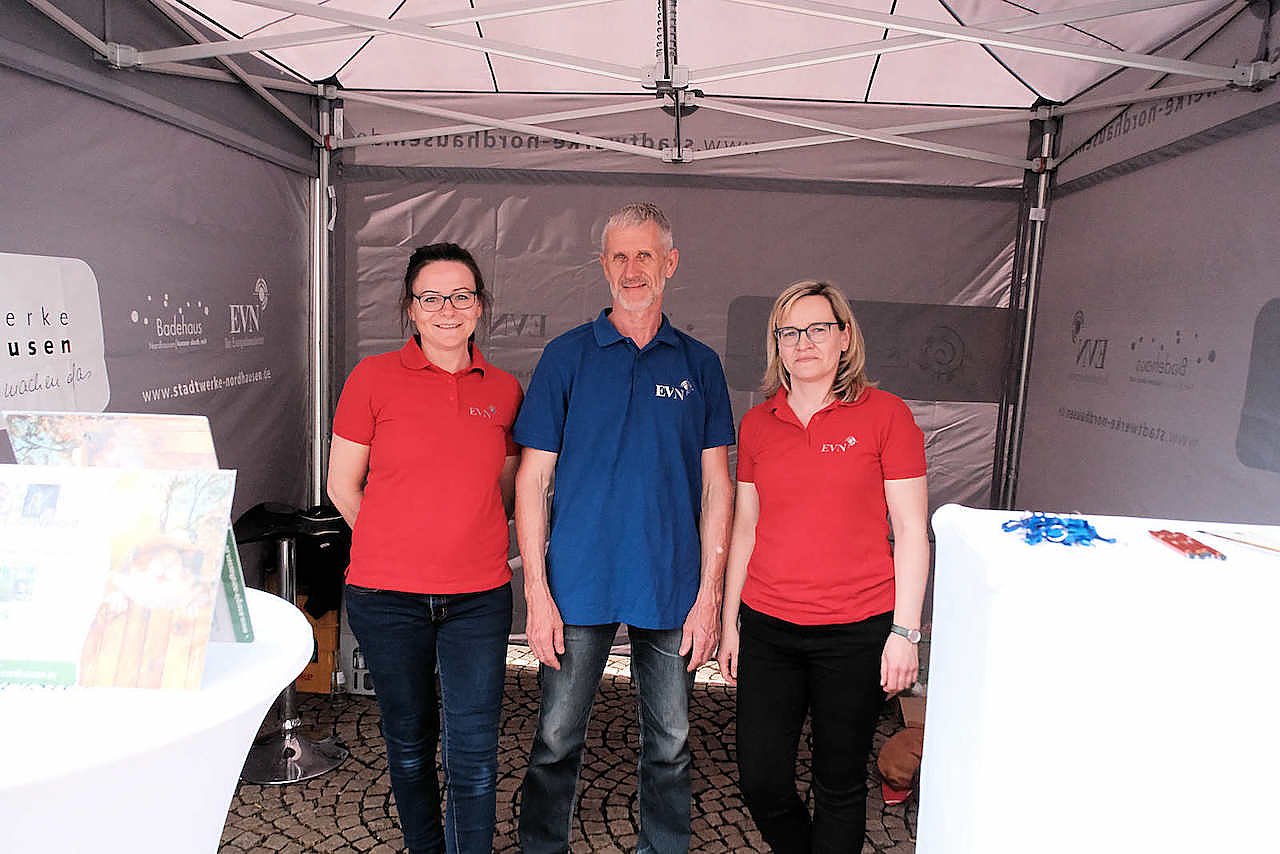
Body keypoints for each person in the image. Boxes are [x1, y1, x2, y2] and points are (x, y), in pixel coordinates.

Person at [514, 202, 735, 853]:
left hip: (670, 584)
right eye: (619, 256)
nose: (632, 269)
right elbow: (532, 480)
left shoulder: (699, 364)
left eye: (645, 255)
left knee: (670, 742)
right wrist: (536, 594)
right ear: (603, 266)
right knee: (556, 737)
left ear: (670, 263)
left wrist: (709, 597)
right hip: (576, 583)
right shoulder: (566, 357)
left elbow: (718, 488)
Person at [717, 280, 930, 853]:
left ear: (844, 338)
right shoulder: (758, 424)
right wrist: (730, 622)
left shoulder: (887, 416)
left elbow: (912, 531)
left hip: (856, 631)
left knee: (838, 784)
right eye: (789, 332)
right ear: (776, 345)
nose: (803, 342)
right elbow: (745, 527)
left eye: (817, 329)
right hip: (768, 628)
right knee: (762, 781)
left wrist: (905, 633)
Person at [326, 243, 523, 854]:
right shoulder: (372, 378)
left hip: (478, 599)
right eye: (431, 298)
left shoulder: (505, 390)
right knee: (409, 745)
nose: (446, 309)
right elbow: (342, 485)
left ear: (480, 306)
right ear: (410, 309)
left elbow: (506, 492)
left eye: (460, 296)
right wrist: (394, 541)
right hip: (387, 599)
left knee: (474, 752)